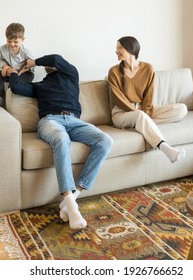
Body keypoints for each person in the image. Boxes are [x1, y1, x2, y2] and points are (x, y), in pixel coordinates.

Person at [8, 54, 113, 230]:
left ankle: (72, 199)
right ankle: (72, 208)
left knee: (105, 140)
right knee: (62, 140)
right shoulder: (39, 86)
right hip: (50, 121)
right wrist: (13, 72)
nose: (50, 65)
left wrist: (33, 62)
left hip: (75, 122)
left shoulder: (71, 75)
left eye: (49, 64)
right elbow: (16, 87)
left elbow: (56, 59)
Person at [108, 36, 188, 163]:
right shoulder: (114, 71)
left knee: (181, 109)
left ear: (131, 49)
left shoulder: (148, 68)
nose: (116, 50)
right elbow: (118, 98)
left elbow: (149, 95)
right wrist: (137, 112)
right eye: (116, 47)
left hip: (142, 110)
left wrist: (145, 112)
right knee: (140, 115)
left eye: (119, 47)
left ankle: (142, 124)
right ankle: (166, 148)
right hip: (121, 113)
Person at [0, 23, 35, 107]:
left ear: (22, 40)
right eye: (9, 41)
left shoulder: (26, 52)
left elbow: (33, 64)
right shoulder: (3, 49)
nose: (12, 44)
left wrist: (27, 67)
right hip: (10, 72)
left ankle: (9, 93)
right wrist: (5, 66)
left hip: (24, 73)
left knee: (19, 80)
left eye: (15, 42)